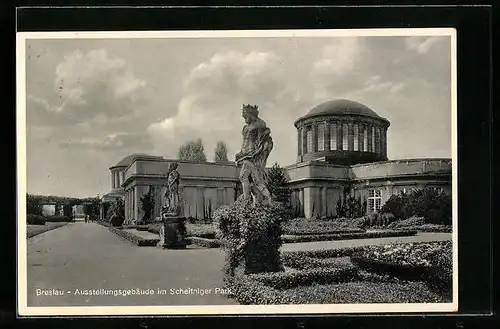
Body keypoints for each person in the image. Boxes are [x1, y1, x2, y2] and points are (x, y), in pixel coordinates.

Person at [235, 104, 273, 206]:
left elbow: (264, 141)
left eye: (245, 116)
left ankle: (246, 200)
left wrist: (257, 153)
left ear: (251, 114)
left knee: (243, 176)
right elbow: (245, 142)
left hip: (253, 156)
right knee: (256, 181)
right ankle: (261, 200)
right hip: (246, 155)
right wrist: (241, 153)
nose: (244, 119)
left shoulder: (259, 124)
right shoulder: (246, 127)